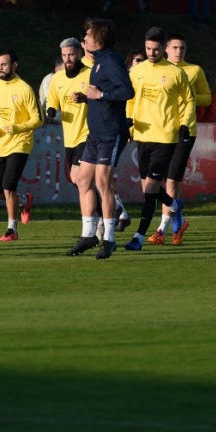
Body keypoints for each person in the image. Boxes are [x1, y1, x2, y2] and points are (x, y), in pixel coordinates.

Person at [121, 27, 192, 251]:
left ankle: (139, 237)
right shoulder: (137, 71)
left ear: (163, 48)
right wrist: (129, 121)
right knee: (148, 189)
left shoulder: (176, 73)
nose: (151, 53)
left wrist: (184, 124)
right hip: (143, 135)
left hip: (166, 136)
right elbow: (130, 100)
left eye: (156, 49)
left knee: (151, 187)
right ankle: (173, 204)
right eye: (148, 48)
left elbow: (188, 101)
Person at [74, 17, 134, 259]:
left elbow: (127, 91)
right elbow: (101, 95)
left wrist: (101, 94)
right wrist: (87, 97)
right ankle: (88, 235)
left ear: (98, 38)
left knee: (102, 183)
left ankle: (108, 239)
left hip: (111, 133)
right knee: (82, 180)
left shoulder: (111, 61)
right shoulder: (99, 62)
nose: (85, 38)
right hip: (96, 134)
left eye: (88, 34)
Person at [0, 48, 43, 242]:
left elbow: (38, 119)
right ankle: (24, 200)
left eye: (4, 64)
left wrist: (17, 128)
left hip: (20, 143)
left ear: (14, 65)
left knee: (8, 186)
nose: (0, 68)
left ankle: (12, 229)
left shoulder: (24, 88)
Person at [46, 38, 94, 252]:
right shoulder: (57, 79)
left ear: (79, 53)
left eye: (71, 55)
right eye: (64, 55)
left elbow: (102, 98)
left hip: (88, 134)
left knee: (82, 180)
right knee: (77, 180)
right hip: (70, 136)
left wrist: (86, 99)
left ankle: (91, 230)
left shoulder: (90, 74)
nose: (68, 59)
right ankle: (110, 211)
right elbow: (52, 100)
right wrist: (50, 109)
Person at [162, 33, 211, 244]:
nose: (178, 51)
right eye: (174, 47)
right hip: (161, 130)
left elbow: (207, 98)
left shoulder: (194, 70)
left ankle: (162, 230)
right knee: (169, 182)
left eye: (182, 48)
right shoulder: (160, 71)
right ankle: (179, 223)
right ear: (166, 49)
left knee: (170, 182)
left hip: (185, 131)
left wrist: (190, 93)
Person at [40, 57, 64, 123]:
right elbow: (48, 102)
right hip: (50, 120)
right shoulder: (49, 80)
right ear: (56, 69)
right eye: (63, 70)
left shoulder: (66, 80)